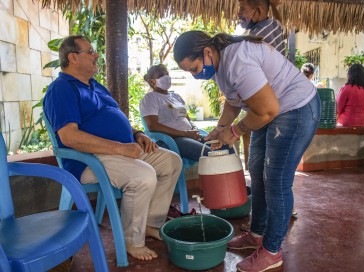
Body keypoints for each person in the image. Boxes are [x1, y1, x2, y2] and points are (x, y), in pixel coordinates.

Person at [173, 30, 320, 272]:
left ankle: (272, 251)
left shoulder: (237, 59)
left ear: (207, 52)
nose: (195, 75)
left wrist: (235, 131)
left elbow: (267, 109)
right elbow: (234, 99)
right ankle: (257, 234)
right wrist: (221, 127)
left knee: (276, 181)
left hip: (295, 109)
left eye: (195, 68)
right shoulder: (220, 64)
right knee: (256, 169)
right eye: (190, 71)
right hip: (273, 111)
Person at [43, 35, 182, 261]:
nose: (96, 55)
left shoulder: (96, 86)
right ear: (73, 57)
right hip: (89, 159)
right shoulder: (62, 89)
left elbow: (117, 119)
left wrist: (136, 135)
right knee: (143, 176)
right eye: (90, 51)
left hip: (121, 151)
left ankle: (149, 223)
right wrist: (120, 148)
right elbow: (69, 137)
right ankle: (131, 240)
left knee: (171, 162)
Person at [140, 64, 211, 161]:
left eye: (167, 74)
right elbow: (153, 125)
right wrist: (184, 134)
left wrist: (194, 129)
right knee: (209, 153)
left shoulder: (176, 96)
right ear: (152, 82)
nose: (166, 77)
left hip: (189, 135)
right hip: (172, 140)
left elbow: (187, 118)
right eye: (161, 75)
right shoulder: (150, 98)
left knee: (221, 145)